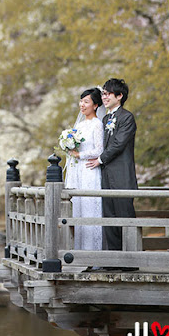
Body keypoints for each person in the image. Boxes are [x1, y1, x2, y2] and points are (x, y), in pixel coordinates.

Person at [86, 78, 138, 252]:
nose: (104, 97)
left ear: (120, 96)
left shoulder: (127, 117)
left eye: (108, 94)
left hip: (122, 176)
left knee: (125, 218)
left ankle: (130, 259)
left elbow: (119, 144)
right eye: (103, 93)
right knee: (109, 218)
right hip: (106, 176)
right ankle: (113, 259)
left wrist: (99, 159)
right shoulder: (106, 117)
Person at [64, 88, 104, 250]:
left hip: (90, 170)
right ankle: (80, 252)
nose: (82, 105)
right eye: (81, 101)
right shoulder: (79, 125)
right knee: (78, 208)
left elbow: (99, 150)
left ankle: (94, 253)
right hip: (78, 170)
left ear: (95, 105)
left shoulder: (97, 125)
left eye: (86, 102)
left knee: (90, 207)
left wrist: (80, 155)